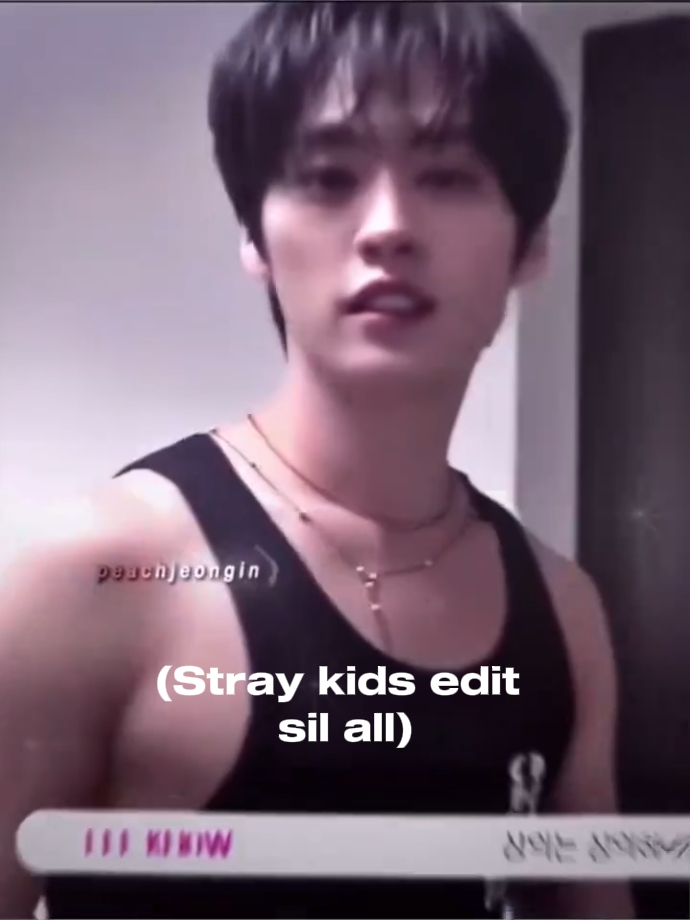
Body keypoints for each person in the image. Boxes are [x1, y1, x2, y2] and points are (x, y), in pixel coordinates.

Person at [0, 2, 634, 918]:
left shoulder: (564, 611)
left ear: (529, 245)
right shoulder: (98, 573)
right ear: (255, 238)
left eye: (448, 176)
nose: (388, 227)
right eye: (330, 177)